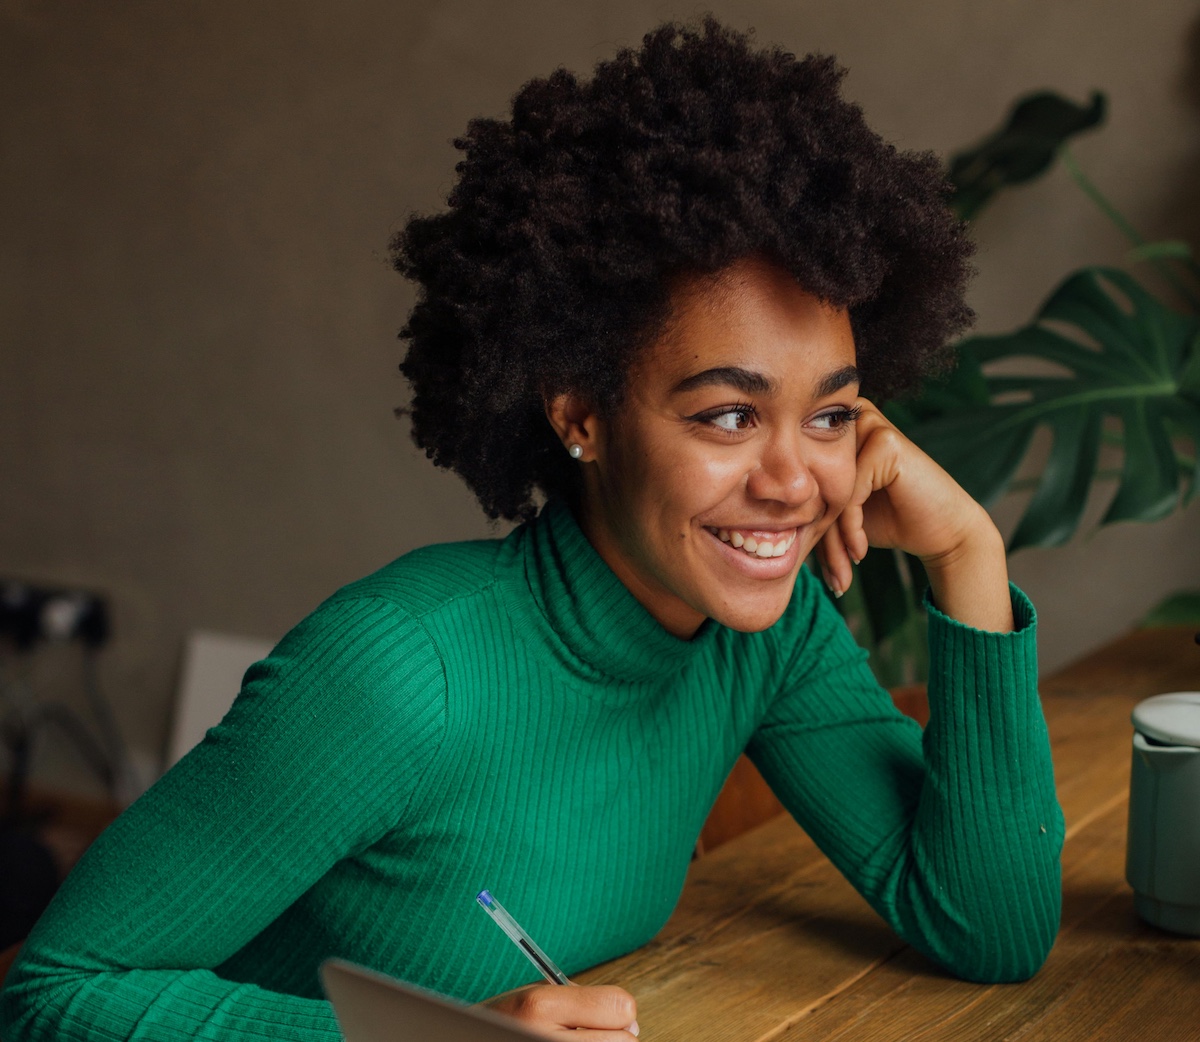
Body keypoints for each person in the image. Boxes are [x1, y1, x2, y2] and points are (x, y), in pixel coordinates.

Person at [0, 18, 1064, 1042]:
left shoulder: (761, 637)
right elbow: (52, 994)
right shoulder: (400, 674)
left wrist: (969, 554)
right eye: (728, 414)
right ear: (581, 416)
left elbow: (990, 931)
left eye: (830, 414)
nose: (795, 481)